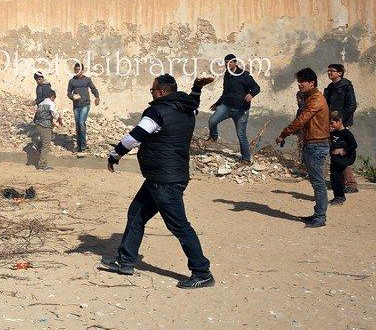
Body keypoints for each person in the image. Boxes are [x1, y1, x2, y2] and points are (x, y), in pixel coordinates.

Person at [103, 74, 216, 289]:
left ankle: (202, 271)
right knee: (136, 214)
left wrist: (114, 154)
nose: (151, 93)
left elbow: (134, 137)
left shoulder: (157, 112)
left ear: (162, 92)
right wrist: (196, 88)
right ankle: (125, 261)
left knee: (179, 226)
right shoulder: (187, 109)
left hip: (165, 179)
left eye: (152, 90)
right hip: (164, 177)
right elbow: (193, 101)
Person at [276, 68, 330, 228]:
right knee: (315, 181)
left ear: (311, 82)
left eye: (302, 81)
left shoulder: (315, 99)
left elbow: (302, 119)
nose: (299, 84)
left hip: (317, 144)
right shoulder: (309, 97)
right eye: (298, 81)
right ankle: (317, 214)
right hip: (312, 143)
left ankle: (320, 217)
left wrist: (284, 134)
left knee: (318, 182)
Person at [208, 54, 261, 164]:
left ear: (235, 62)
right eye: (226, 62)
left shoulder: (244, 75)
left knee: (241, 135)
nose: (228, 64)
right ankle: (214, 137)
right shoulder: (227, 74)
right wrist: (217, 104)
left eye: (230, 62)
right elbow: (225, 92)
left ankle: (246, 159)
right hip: (226, 107)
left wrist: (251, 94)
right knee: (212, 121)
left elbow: (256, 87)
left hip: (241, 110)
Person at [324, 63, 358, 193]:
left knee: (341, 152)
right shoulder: (330, 88)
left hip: (342, 125)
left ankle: (351, 184)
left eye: (332, 71)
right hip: (332, 125)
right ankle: (341, 183)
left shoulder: (346, 86)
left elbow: (351, 105)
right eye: (328, 71)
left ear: (340, 73)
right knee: (335, 153)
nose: (329, 73)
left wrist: (340, 121)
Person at [67, 63, 100, 152]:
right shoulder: (72, 81)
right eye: (76, 69)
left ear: (82, 70)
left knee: (81, 122)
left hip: (85, 104)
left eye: (79, 69)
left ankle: (83, 145)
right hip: (76, 106)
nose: (77, 71)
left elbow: (93, 89)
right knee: (77, 125)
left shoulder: (87, 80)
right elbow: (69, 92)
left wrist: (97, 97)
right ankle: (79, 146)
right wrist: (72, 97)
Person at [329, 111, 357, 206]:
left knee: (336, 177)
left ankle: (340, 196)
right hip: (335, 159)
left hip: (343, 159)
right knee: (334, 178)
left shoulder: (346, 133)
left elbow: (353, 145)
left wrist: (343, 151)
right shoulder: (334, 133)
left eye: (332, 123)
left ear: (339, 121)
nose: (331, 125)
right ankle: (338, 196)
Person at [32, 90, 63, 171]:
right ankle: (42, 165)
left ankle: (37, 145)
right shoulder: (51, 104)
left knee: (45, 140)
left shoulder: (41, 104)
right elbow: (55, 113)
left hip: (39, 125)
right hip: (45, 126)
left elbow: (35, 117)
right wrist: (59, 119)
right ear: (52, 96)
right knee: (46, 145)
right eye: (54, 98)